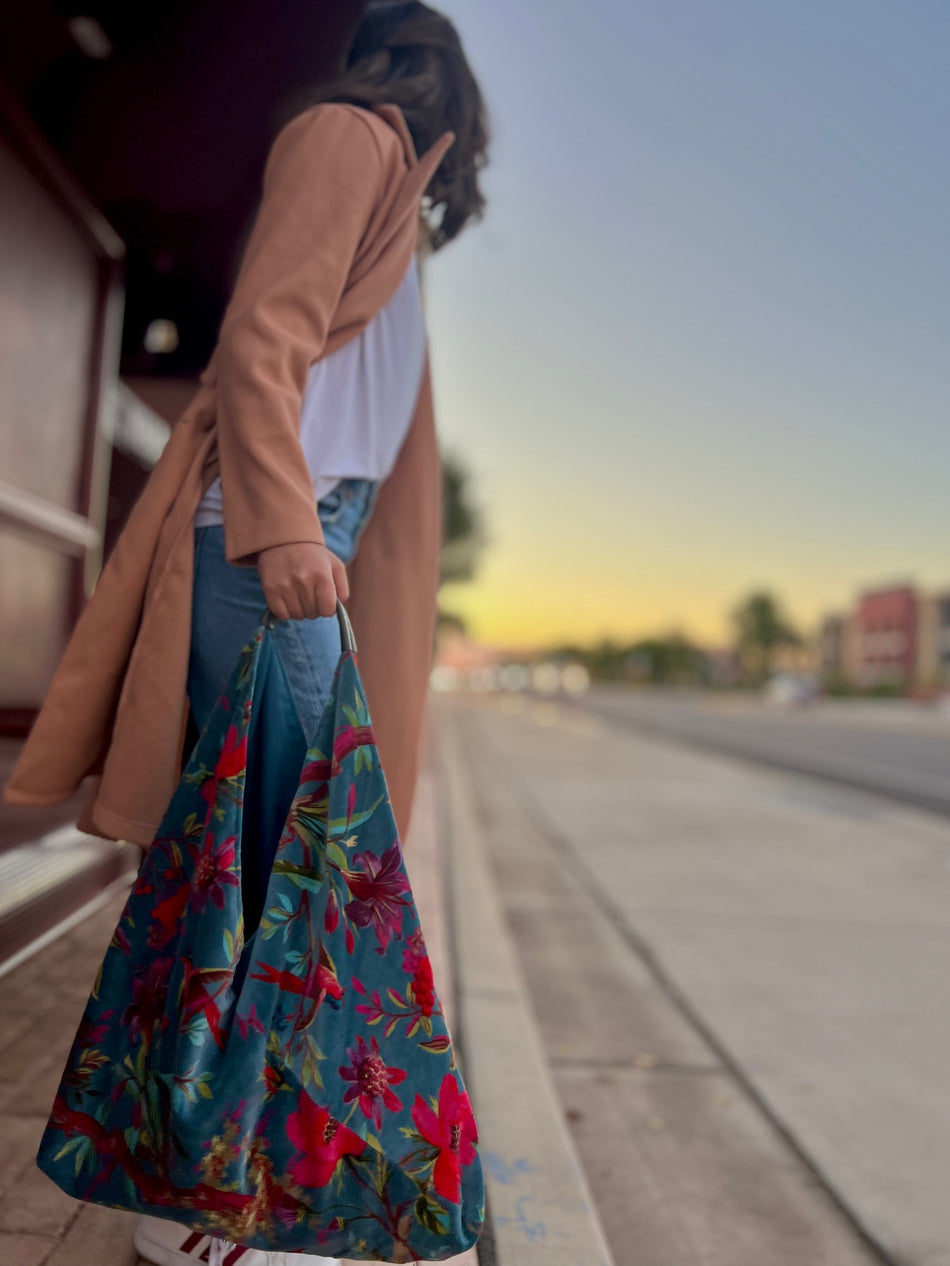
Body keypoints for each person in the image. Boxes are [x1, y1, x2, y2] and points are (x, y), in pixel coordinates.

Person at [7, 3, 488, 1265]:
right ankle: (218, 1213)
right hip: (278, 541)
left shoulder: (398, 208)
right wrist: (281, 532)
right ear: (445, 86)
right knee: (284, 879)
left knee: (262, 882)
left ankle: (211, 1195)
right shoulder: (348, 134)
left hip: (321, 536)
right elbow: (265, 336)